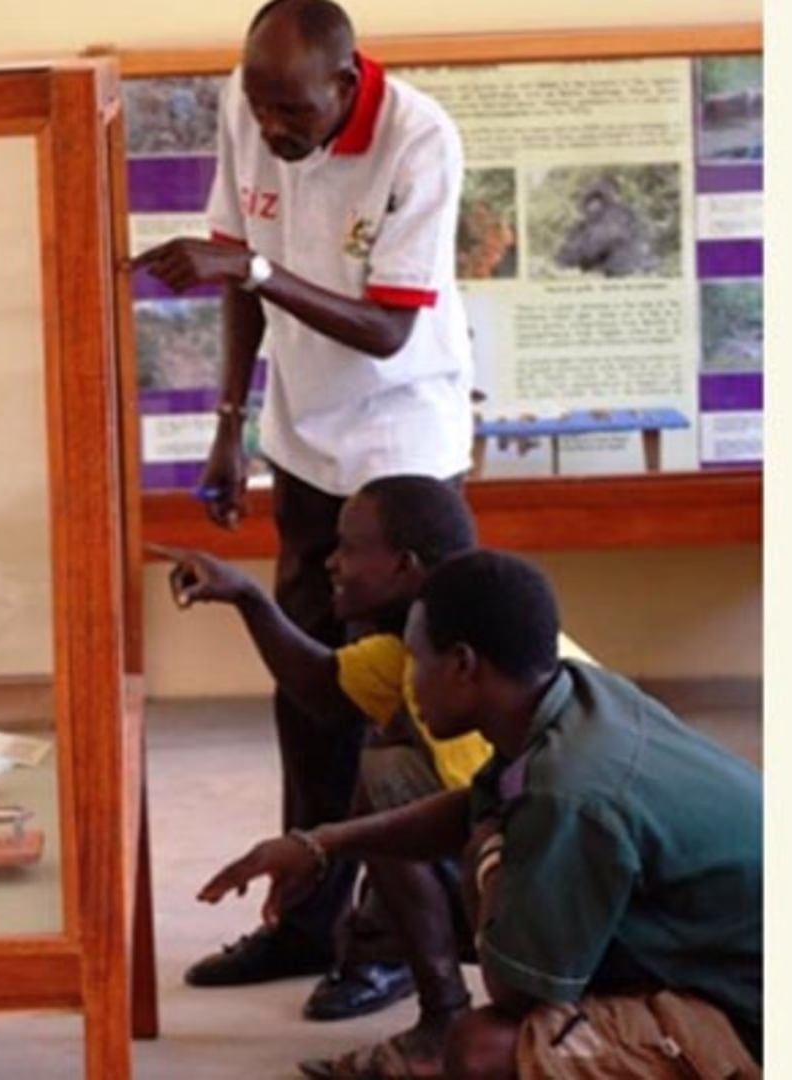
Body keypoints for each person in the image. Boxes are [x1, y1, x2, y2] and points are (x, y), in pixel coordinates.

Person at [132, 0, 475, 1011]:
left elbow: (384, 331)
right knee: (307, 687)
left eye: (293, 111)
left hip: (402, 442)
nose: (274, 129)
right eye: (261, 104)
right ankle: (307, 921)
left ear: (347, 79)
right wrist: (230, 422)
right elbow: (236, 273)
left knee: (405, 709)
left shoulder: (419, 139)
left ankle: (386, 943)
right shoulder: (254, 109)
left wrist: (258, 266)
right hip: (305, 441)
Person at [199, 551, 762, 1078]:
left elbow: (518, 993)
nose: (410, 681)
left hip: (753, 1016)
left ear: (464, 664)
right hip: (728, 956)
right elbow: (476, 803)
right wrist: (321, 843)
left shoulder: (568, 793)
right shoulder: (576, 696)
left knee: (482, 1048)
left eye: (417, 660)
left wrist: (489, 860)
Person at [156, 474, 487, 1071]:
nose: (332, 563)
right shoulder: (413, 646)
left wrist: (327, 848)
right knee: (387, 773)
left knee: (389, 784)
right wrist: (249, 598)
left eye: (349, 548)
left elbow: (505, 816)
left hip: (545, 873)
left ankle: (448, 1019)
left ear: (404, 565)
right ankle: (416, 981)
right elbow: (322, 686)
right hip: (506, 856)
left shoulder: (469, 658)